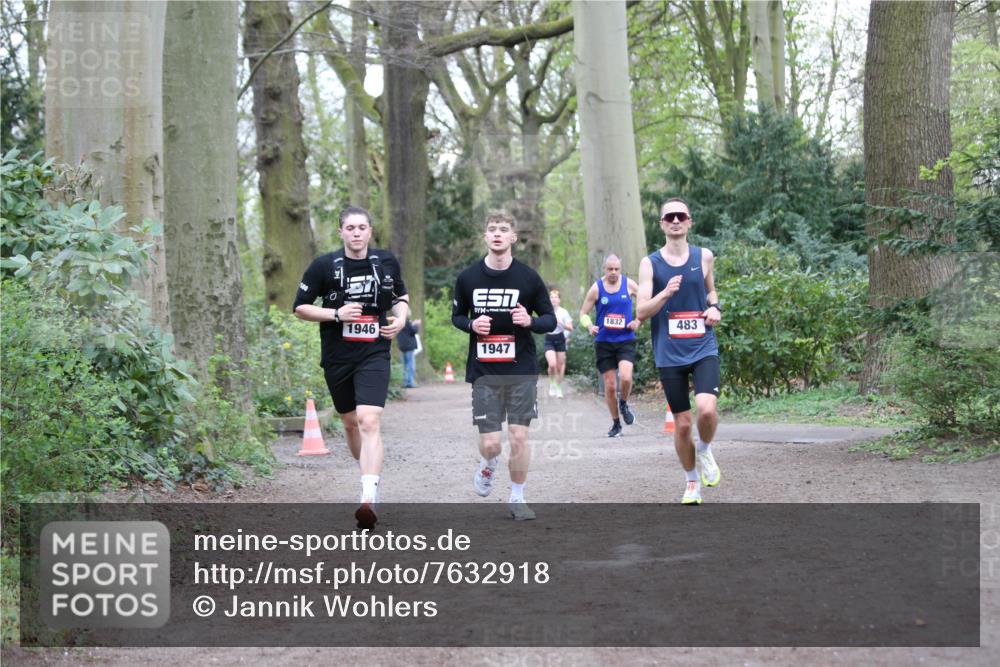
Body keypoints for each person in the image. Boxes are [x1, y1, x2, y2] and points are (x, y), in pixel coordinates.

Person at [293, 205, 409, 529]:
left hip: (374, 351)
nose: (356, 233)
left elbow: (401, 296)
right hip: (338, 356)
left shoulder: (386, 262)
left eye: (362, 227)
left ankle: (368, 496)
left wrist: (399, 319)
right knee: (349, 422)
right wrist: (335, 314)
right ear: (341, 232)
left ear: (370, 231)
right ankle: (367, 476)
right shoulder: (323, 266)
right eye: (350, 228)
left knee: (369, 419)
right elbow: (299, 307)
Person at [452, 211, 556, 520]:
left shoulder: (528, 277)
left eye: (504, 229)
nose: (497, 234)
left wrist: (531, 321)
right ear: (485, 237)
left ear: (513, 237)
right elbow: (456, 316)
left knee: (519, 437)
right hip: (485, 372)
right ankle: (488, 463)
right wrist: (471, 325)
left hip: (521, 369)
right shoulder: (468, 277)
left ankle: (517, 497)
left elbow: (549, 319)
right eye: (492, 229)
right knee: (492, 444)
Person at [637, 197, 722, 506]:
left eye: (680, 216)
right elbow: (642, 310)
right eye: (669, 216)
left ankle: (705, 449)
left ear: (689, 222)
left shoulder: (705, 256)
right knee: (683, 423)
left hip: (702, 345)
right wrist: (665, 292)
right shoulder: (651, 264)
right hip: (669, 352)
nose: (675, 221)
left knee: (707, 409)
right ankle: (691, 481)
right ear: (662, 224)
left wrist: (714, 307)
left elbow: (711, 291)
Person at [579, 255, 641, 438]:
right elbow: (583, 312)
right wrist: (589, 325)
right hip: (604, 342)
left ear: (620, 269)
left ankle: (624, 403)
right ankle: (616, 424)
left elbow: (645, 301)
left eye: (616, 269)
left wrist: (638, 320)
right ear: (604, 269)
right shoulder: (596, 288)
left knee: (627, 377)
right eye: (610, 269)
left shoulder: (629, 284)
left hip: (625, 340)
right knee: (611, 385)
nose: (613, 273)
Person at [544, 288, 574, 398]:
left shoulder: (563, 312)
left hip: (560, 338)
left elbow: (570, 328)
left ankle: (558, 386)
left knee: (560, 366)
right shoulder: (546, 311)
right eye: (551, 297)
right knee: (552, 364)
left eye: (556, 297)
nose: (553, 299)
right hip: (549, 339)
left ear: (559, 300)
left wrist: (561, 323)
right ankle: (551, 384)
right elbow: (540, 325)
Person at [397, 318, 421, 388]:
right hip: (409, 346)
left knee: (404, 366)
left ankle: (405, 382)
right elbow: (413, 331)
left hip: (402, 346)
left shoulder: (399, 322)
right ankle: (410, 382)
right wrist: (416, 325)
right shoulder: (406, 322)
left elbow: (407, 330)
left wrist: (412, 324)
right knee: (410, 365)